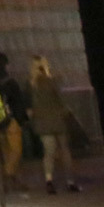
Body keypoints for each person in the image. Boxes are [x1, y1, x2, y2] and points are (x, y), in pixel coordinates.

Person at [28, 54, 80, 194]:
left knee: (48, 152)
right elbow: (61, 100)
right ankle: (70, 182)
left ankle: (49, 180)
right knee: (64, 151)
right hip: (58, 120)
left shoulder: (32, 85)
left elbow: (31, 106)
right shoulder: (52, 82)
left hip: (43, 123)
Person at [0, 52, 30, 191]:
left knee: (6, 153)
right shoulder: (10, 82)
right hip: (11, 121)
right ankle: (8, 174)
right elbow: (18, 102)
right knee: (16, 151)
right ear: (6, 64)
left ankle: (11, 181)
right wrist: (22, 120)